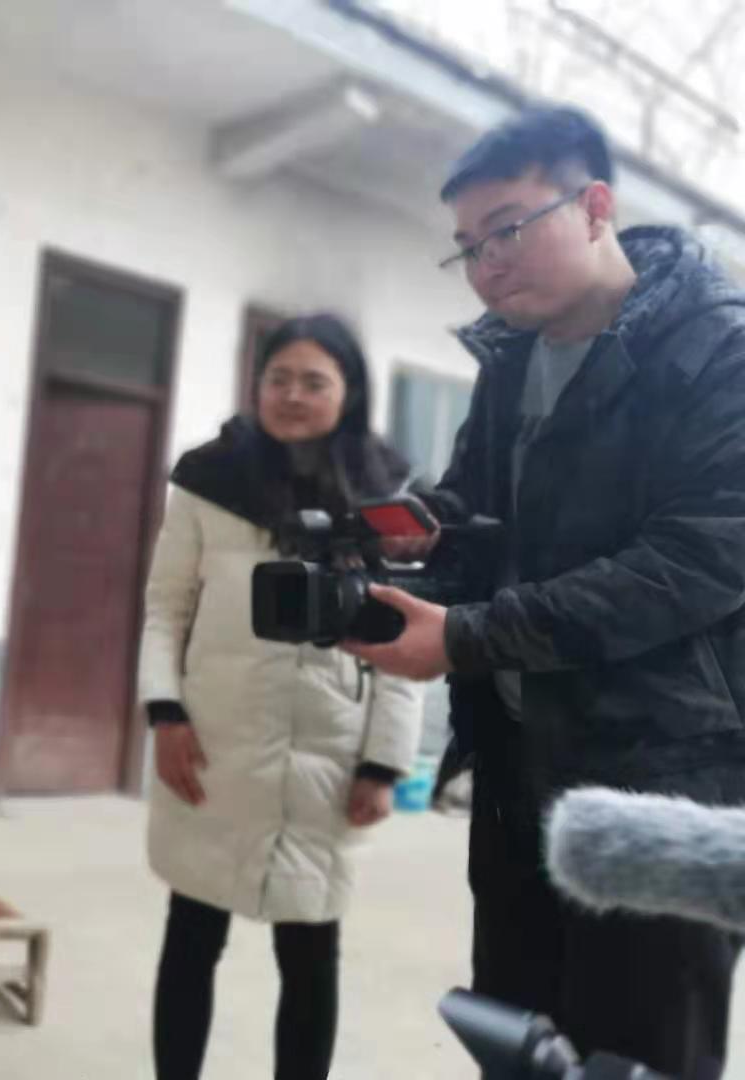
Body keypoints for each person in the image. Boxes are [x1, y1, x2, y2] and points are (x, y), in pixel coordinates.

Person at [347, 106, 745, 1080]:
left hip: (659, 780)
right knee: (517, 1037)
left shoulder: (719, 351)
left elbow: (695, 562)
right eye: (467, 246)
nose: (486, 265)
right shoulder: (514, 358)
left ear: (596, 205)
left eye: (509, 228)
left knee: (638, 1052)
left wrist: (468, 637)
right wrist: (419, 534)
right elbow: (479, 511)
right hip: (519, 762)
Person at [138, 315, 425, 1080]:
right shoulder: (208, 480)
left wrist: (383, 765)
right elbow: (167, 608)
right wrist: (164, 713)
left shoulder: (385, 497)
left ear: (349, 392)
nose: (292, 396)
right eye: (278, 379)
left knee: (310, 953)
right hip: (213, 746)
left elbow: (402, 632)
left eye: (314, 382)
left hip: (326, 761)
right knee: (191, 933)